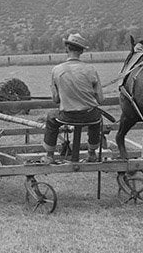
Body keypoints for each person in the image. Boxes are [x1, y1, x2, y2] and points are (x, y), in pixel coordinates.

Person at [43, 33, 104, 162]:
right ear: (81, 51)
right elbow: (100, 100)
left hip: (67, 116)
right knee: (96, 118)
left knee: (51, 117)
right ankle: (92, 153)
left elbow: (56, 100)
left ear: (67, 48)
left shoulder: (56, 70)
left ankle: (49, 155)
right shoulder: (91, 69)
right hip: (89, 115)